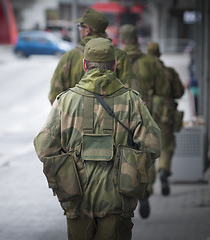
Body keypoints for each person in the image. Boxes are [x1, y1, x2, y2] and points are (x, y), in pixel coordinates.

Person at [34, 38, 161, 240]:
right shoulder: (132, 101)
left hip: (77, 200)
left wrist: (69, 175)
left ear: (85, 65)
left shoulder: (65, 101)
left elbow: (44, 148)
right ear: (115, 65)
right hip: (118, 201)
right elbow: (153, 146)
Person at [119, 24, 166, 219]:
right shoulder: (150, 62)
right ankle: (145, 190)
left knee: (124, 154)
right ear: (137, 39)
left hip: (120, 117)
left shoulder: (116, 60)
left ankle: (127, 193)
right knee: (146, 154)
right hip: (147, 115)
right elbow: (163, 90)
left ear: (122, 39)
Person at [48, 8, 133, 104]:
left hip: (76, 117)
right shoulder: (120, 56)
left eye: (81, 27)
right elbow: (130, 92)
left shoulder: (69, 57)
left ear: (87, 30)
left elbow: (55, 96)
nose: (80, 30)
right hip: (114, 116)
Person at [146, 42, 185, 197]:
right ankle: (163, 170)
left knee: (148, 149)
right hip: (166, 113)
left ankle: (148, 186)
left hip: (149, 113)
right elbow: (179, 92)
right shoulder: (169, 72)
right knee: (166, 146)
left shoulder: (145, 73)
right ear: (160, 54)